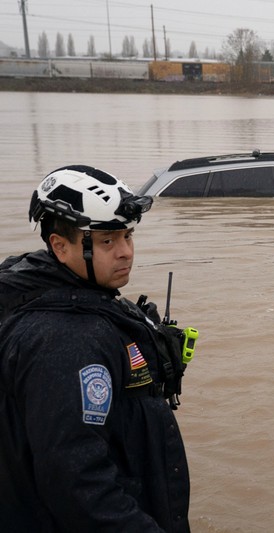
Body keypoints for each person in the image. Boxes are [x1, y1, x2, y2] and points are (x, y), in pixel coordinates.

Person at [0, 166, 191, 532]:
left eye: (127, 236)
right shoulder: (66, 340)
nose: (125, 253)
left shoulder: (66, 292)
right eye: (107, 242)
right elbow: (79, 484)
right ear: (59, 245)